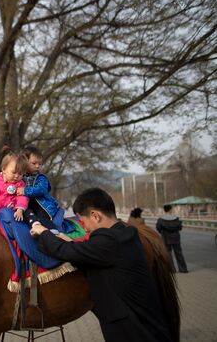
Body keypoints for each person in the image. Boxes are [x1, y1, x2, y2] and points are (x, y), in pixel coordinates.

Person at [30, 188, 172, 342]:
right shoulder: (125, 235)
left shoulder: (109, 241)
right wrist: (70, 241)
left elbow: (65, 251)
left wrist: (43, 232)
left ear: (95, 216)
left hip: (135, 332)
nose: (83, 228)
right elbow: (87, 251)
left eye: (83, 222)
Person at [16, 146, 60, 230]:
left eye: (40, 164)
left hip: (41, 206)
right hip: (27, 206)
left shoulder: (41, 178)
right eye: (34, 163)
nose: (37, 166)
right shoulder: (19, 177)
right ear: (24, 162)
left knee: (41, 217)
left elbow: (42, 189)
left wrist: (25, 190)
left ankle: (53, 232)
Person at [0, 147, 29, 221]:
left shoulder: (20, 184)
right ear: (4, 169)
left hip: (13, 214)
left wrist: (20, 209)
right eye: (14, 172)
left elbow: (22, 197)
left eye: (20, 174)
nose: (17, 176)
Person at [156, 204, 188, 273]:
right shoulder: (176, 219)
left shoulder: (161, 220)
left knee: (168, 254)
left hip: (166, 238)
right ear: (170, 210)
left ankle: (171, 270)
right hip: (176, 238)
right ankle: (183, 269)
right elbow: (180, 228)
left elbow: (158, 228)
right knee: (179, 253)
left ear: (164, 210)